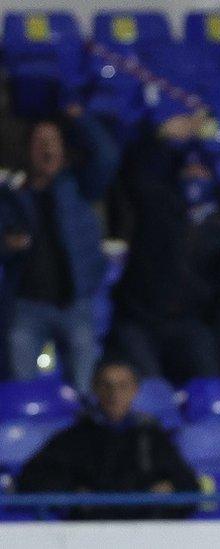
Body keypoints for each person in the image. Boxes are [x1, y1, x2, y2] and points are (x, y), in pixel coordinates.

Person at [108, 112, 220, 384]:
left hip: (190, 323)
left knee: (210, 387)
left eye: (201, 170)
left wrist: (218, 343)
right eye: (187, 168)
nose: (194, 175)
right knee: (149, 391)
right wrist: (160, 138)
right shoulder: (158, 206)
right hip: (140, 320)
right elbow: (132, 172)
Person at [0, 104, 120, 393]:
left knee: (85, 391)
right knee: (21, 392)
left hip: (75, 305)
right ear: (28, 151)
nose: (46, 148)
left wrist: (80, 118)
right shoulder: (11, 196)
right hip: (26, 307)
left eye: (52, 141)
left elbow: (108, 156)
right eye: (40, 142)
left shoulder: (79, 186)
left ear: (64, 150)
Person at [16, 359, 199, 520]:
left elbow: (189, 486)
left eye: (123, 386)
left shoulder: (153, 437)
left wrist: (170, 488)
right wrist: (71, 492)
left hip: (146, 533)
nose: (114, 394)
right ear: (95, 389)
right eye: (107, 385)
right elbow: (30, 480)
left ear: (135, 390)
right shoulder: (72, 438)